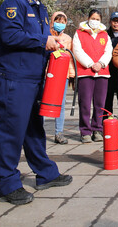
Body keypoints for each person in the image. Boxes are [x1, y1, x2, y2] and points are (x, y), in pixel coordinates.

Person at [0, 0, 72, 205]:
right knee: (10, 132)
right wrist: (45, 40)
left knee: (33, 129)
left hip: (34, 79)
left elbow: (40, 42)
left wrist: (56, 46)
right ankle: (8, 183)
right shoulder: (13, 4)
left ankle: (45, 174)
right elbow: (10, 36)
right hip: (16, 79)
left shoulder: (40, 9)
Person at [73, 9, 112, 143]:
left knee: (100, 103)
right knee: (85, 103)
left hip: (102, 73)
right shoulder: (79, 33)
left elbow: (108, 51)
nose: (94, 21)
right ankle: (85, 131)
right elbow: (77, 50)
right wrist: (90, 64)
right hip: (85, 72)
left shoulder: (105, 35)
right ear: (88, 18)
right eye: (93, 18)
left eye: (97, 19)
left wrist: (100, 64)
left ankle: (97, 129)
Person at [49, 11, 75, 144]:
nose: (60, 24)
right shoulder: (47, 36)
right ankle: (38, 132)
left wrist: (71, 74)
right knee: (43, 102)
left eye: (63, 21)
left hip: (62, 75)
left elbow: (70, 59)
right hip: (48, 74)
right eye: (57, 21)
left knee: (61, 103)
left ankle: (59, 132)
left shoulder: (68, 38)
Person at [105, 11, 118, 119]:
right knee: (107, 101)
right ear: (110, 22)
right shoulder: (104, 35)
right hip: (108, 73)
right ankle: (106, 124)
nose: (115, 23)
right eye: (114, 21)